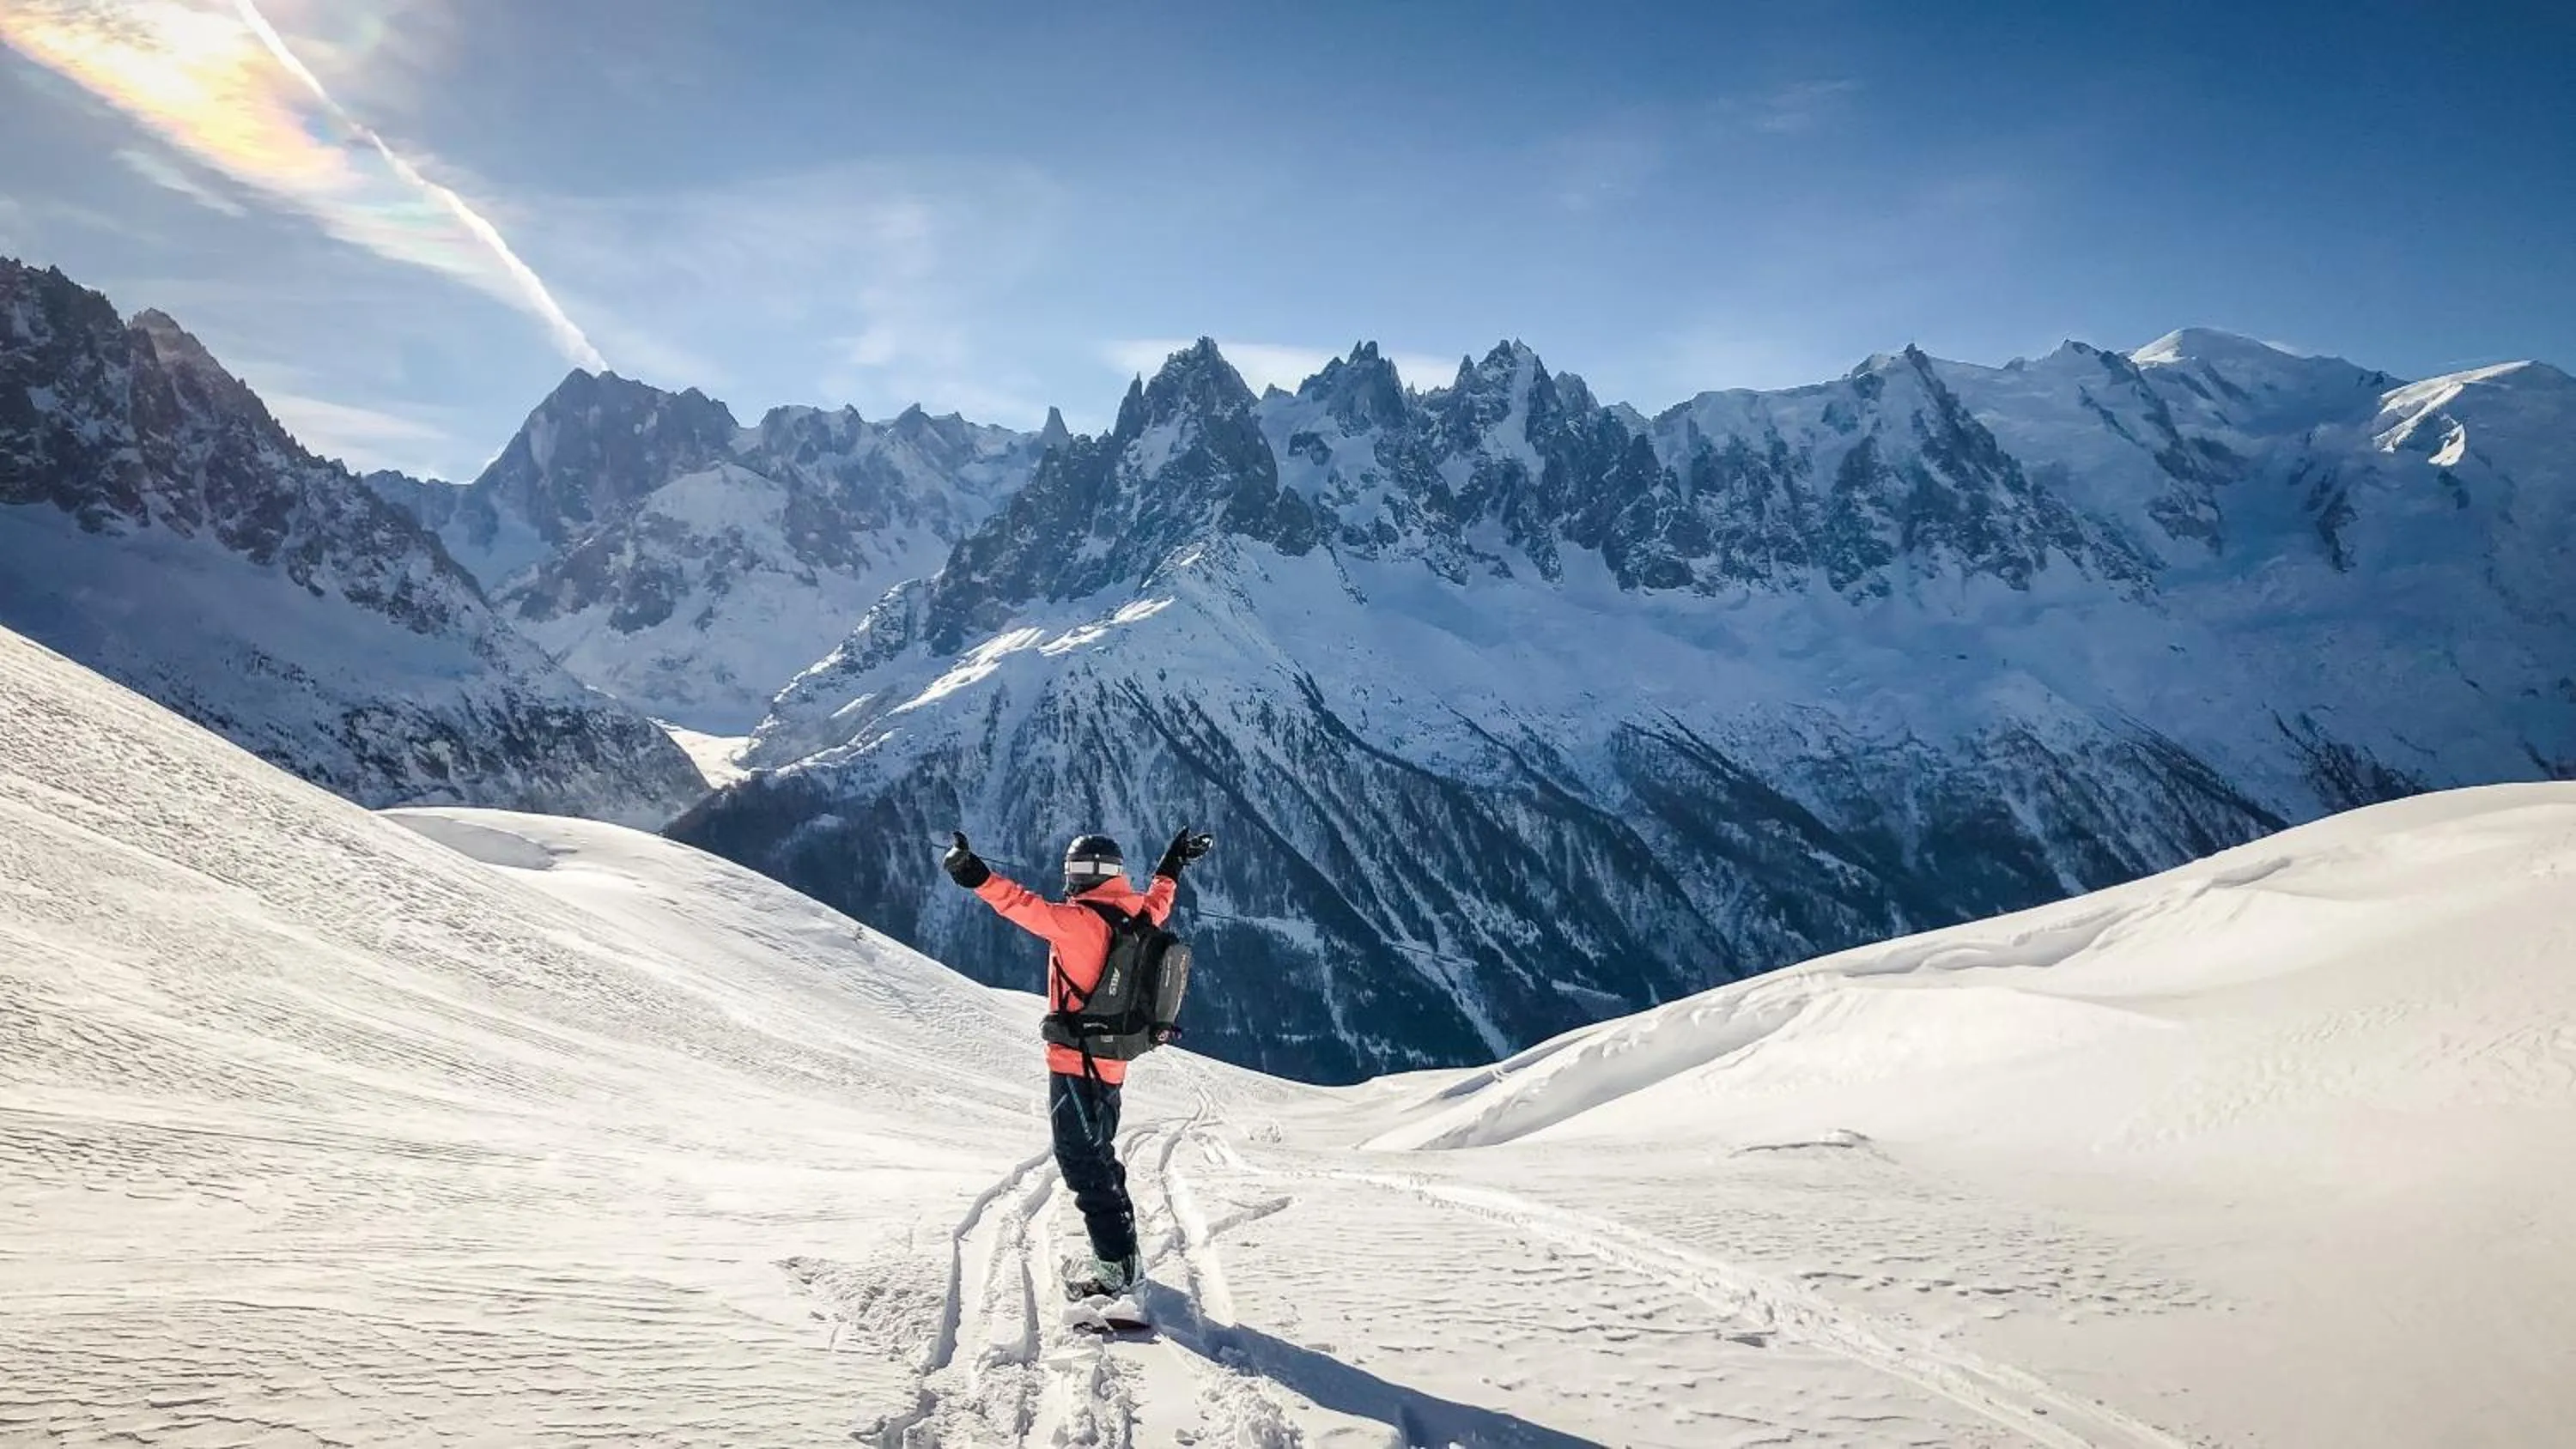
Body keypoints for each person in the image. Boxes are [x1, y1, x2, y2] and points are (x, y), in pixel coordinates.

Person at [942, 826, 1212, 1299]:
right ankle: (1122, 1256)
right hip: (1112, 1061)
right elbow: (1161, 896)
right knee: (1099, 1156)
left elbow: (1018, 903)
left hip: (1075, 1063)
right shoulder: (1138, 914)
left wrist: (972, 873)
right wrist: (1174, 861)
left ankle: (1116, 1272)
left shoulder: (1076, 921)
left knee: (1082, 1162)